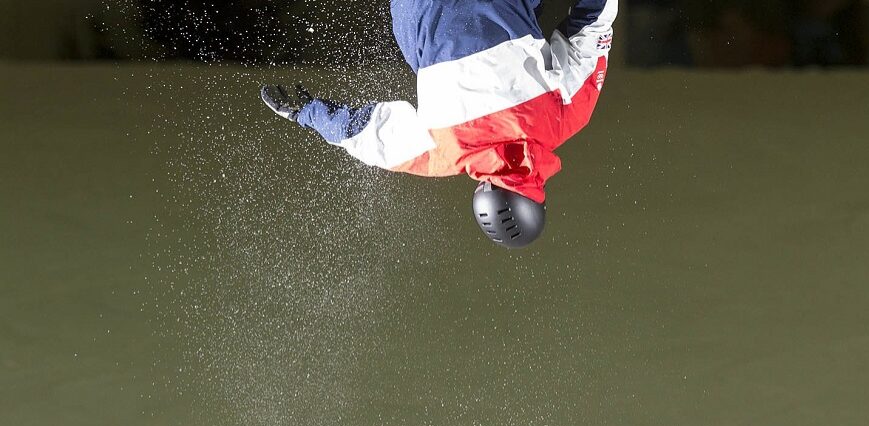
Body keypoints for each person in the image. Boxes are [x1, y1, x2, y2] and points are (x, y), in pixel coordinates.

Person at [260, 0, 618, 249]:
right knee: (420, 47)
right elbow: (359, 133)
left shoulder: (564, 117)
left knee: (522, 21)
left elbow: (593, 25)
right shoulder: (441, 153)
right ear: (483, 192)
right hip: (420, 12)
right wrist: (304, 112)